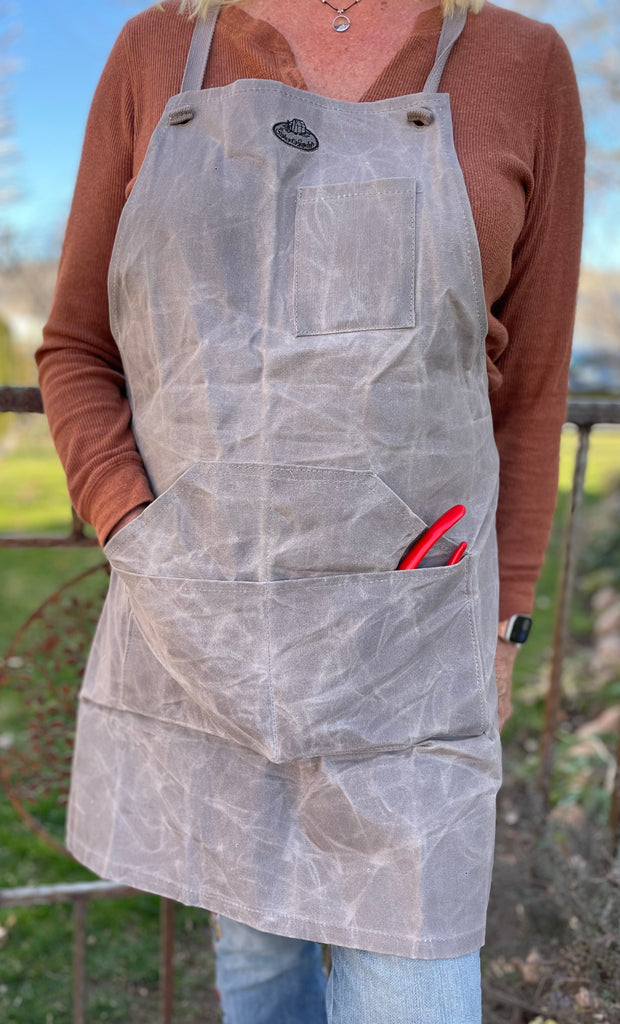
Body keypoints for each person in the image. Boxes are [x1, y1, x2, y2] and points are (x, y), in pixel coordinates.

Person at [36, 0, 584, 1020]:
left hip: (410, 648)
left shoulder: (522, 63)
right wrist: (127, 521)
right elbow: (75, 346)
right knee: (257, 975)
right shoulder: (159, 50)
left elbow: (530, 392)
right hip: (202, 625)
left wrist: (504, 617)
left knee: (416, 987)